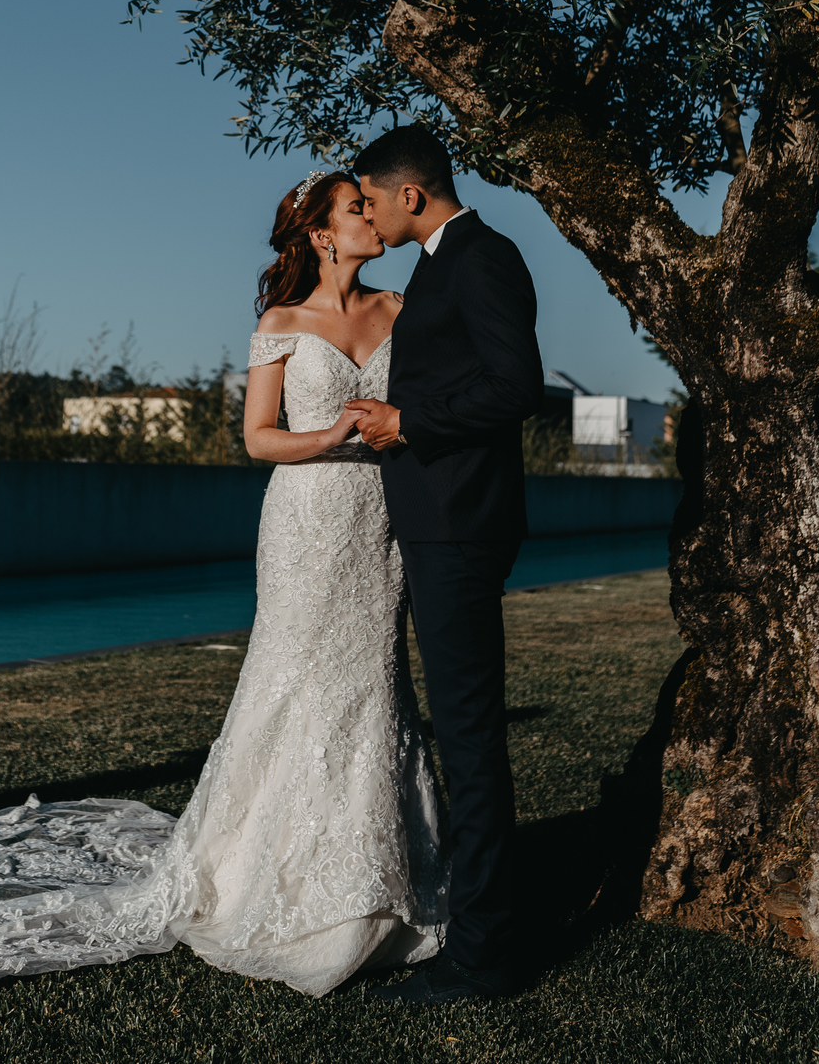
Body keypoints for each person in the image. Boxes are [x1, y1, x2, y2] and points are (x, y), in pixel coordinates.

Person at [0, 171, 445, 998]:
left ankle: (381, 882)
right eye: (357, 208)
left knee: (372, 680)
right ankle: (274, 880)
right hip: (307, 519)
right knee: (292, 679)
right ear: (322, 235)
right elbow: (256, 439)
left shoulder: (401, 311)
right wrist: (327, 433)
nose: (371, 216)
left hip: (379, 521)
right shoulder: (281, 323)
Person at [346, 125, 544, 1007]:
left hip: (460, 526)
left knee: (469, 742)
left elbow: (516, 385)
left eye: (372, 199)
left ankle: (484, 958)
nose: (368, 212)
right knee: (462, 738)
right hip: (440, 524)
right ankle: (481, 932)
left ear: (411, 195)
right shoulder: (438, 261)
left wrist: (408, 424)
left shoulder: (481, 258)